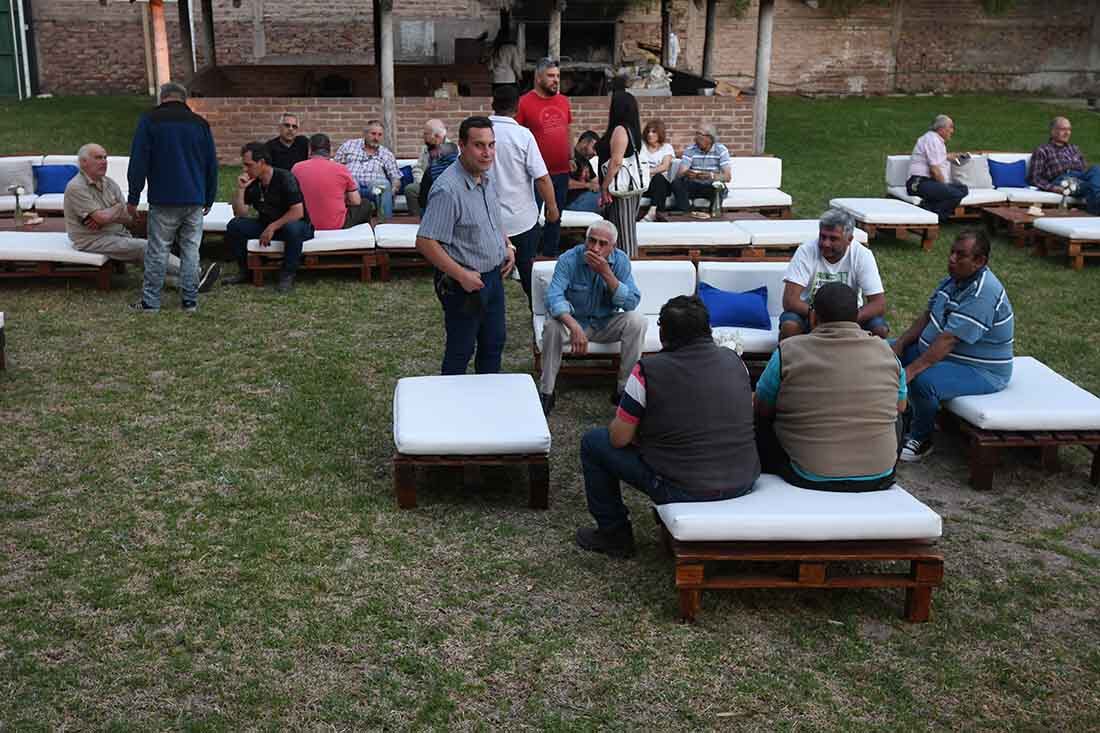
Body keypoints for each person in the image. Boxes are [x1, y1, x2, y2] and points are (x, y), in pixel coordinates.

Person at [574, 295, 759, 558]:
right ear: (708, 330)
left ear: (663, 333)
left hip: (684, 486)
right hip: (743, 480)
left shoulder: (648, 370)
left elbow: (618, 438)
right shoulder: (735, 362)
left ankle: (614, 534)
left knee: (594, 442)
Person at [755, 282, 908, 492]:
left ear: (813, 317)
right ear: (857, 317)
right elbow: (900, 406)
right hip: (878, 476)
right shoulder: (886, 352)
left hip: (807, 474)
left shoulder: (788, 350)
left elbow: (762, 408)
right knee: (897, 415)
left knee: (761, 419)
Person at [892, 230, 1014, 462]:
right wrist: (898, 345)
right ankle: (899, 413)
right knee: (881, 352)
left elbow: (948, 341)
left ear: (980, 261)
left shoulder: (983, 294)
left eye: (961, 255)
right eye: (952, 253)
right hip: (946, 356)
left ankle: (921, 437)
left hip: (982, 371)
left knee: (922, 380)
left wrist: (909, 371)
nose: (952, 259)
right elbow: (927, 316)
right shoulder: (953, 280)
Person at [415, 116, 516, 375]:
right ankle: (452, 409)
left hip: (492, 278)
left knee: (493, 344)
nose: (487, 152)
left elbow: (492, 218)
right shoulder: (448, 189)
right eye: (479, 145)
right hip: (463, 285)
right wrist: (461, 275)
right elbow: (425, 241)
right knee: (461, 350)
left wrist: (507, 245)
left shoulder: (485, 178)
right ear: (461, 145)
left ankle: (486, 402)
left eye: (491, 145)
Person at [65, 143, 219, 294]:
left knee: (150, 258)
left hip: (116, 233)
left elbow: (128, 218)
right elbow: (104, 217)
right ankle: (195, 273)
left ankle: (187, 284)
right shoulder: (77, 187)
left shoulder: (109, 183)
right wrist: (117, 208)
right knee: (144, 247)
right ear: (83, 162)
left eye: (105, 157)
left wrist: (108, 215)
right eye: (98, 158)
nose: (104, 161)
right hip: (92, 239)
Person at [126, 81, 219, 313]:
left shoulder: (149, 121)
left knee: (158, 250)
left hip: (163, 198)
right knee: (190, 251)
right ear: (184, 99)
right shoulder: (200, 124)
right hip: (194, 199)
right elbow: (211, 165)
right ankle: (190, 302)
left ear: (162, 98)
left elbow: (138, 162)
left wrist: (133, 197)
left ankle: (151, 302)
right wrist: (208, 197)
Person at [539, 220, 646, 416]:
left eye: (602, 244)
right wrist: (574, 327)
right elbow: (554, 297)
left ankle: (623, 391)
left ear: (612, 246)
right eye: (592, 241)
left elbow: (631, 302)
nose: (595, 248)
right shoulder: (569, 259)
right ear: (586, 240)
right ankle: (547, 392)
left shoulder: (620, 261)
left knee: (637, 321)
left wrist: (607, 274)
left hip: (605, 323)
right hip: (573, 323)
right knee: (552, 326)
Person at [488, 85, 560, 302]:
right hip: (521, 221)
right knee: (530, 277)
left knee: (488, 277)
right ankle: (538, 320)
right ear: (517, 107)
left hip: (487, 220)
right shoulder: (522, 135)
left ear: (493, 104)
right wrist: (552, 207)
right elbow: (541, 177)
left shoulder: (479, 132)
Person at [779, 208, 888, 340]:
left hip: (850, 318)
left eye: (833, 239)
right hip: (810, 314)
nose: (825, 243)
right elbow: (790, 300)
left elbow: (879, 304)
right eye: (823, 236)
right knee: (790, 325)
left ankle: (871, 360)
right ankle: (787, 359)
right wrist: (816, 315)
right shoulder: (806, 251)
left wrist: (847, 320)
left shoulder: (862, 255)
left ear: (849, 239)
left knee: (879, 328)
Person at [223, 142, 314, 293]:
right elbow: (241, 213)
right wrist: (240, 190)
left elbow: (298, 212)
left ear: (262, 163)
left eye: (249, 165)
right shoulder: (253, 182)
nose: (245, 169)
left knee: (292, 228)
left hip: (296, 225)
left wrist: (273, 226)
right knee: (235, 225)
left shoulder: (285, 177)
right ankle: (245, 272)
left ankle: (287, 274)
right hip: (266, 224)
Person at [516, 58, 572, 257]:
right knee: (530, 217)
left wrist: (571, 156)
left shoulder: (564, 101)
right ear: (538, 77)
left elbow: (568, 129)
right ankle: (526, 256)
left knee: (555, 216)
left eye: (557, 76)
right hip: (534, 174)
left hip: (561, 171)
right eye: (550, 76)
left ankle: (550, 255)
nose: (555, 80)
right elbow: (518, 137)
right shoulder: (523, 103)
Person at [597, 90, 644, 258]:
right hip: (625, 190)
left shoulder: (620, 130)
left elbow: (616, 161)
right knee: (616, 234)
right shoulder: (632, 130)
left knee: (624, 237)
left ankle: (628, 274)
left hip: (620, 191)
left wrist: (604, 187)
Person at [291, 133, 368, 231]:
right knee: (366, 204)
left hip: (306, 224)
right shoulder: (341, 169)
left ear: (310, 150)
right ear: (330, 151)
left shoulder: (296, 168)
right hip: (336, 225)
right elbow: (355, 201)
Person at [1028, 116, 1100, 213]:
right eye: (1063, 129)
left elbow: (1086, 171)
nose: (1067, 133)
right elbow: (1034, 178)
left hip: (1079, 177)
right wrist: (1053, 188)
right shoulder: (1042, 150)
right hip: (1062, 180)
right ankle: (1096, 210)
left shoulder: (1074, 149)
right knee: (1091, 186)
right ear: (1053, 131)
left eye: (1069, 129)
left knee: (1096, 169)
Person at [333, 120, 402, 220]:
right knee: (351, 182)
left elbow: (395, 176)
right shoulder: (349, 146)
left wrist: (393, 190)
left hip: (374, 189)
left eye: (379, 135)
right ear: (365, 134)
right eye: (373, 134)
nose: (376, 138)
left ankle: (385, 224)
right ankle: (350, 221)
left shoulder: (386, 154)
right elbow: (335, 167)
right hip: (352, 187)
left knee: (383, 185)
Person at [906, 114, 968, 224]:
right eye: (950, 127)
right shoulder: (932, 140)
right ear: (941, 129)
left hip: (927, 182)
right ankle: (934, 218)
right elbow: (934, 170)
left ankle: (927, 208)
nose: (952, 131)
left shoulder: (936, 140)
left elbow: (937, 157)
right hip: (918, 183)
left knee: (962, 188)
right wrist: (944, 185)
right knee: (955, 194)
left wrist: (949, 156)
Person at [670, 124, 731, 215]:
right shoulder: (690, 150)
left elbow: (727, 177)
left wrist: (711, 176)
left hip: (711, 186)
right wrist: (687, 173)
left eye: (700, 135)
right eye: (696, 134)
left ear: (710, 138)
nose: (696, 138)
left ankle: (713, 216)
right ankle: (686, 213)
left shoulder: (721, 150)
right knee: (677, 182)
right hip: (694, 185)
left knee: (718, 187)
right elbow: (680, 174)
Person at [405, 119, 448, 219]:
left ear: (436, 135)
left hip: (443, 186)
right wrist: (420, 181)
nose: (423, 136)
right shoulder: (426, 148)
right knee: (411, 189)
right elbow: (418, 167)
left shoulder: (451, 149)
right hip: (425, 183)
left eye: (426, 134)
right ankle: (417, 220)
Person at [639, 119, 675, 222]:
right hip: (645, 184)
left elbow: (665, 167)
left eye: (654, 132)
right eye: (648, 131)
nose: (650, 134)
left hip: (662, 186)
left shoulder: (667, 148)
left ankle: (652, 212)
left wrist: (647, 171)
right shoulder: (641, 146)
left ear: (660, 133)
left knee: (659, 177)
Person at [417, 142, 459, 215]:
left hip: (436, 210)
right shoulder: (465, 169)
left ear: (440, 154)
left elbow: (423, 198)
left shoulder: (431, 170)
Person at [565, 130, 601, 213]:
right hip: (571, 202)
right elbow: (564, 183)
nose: (595, 153)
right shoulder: (570, 157)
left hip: (585, 197)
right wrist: (587, 185)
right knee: (607, 200)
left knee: (610, 195)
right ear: (585, 142)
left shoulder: (586, 161)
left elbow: (595, 181)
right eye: (594, 148)